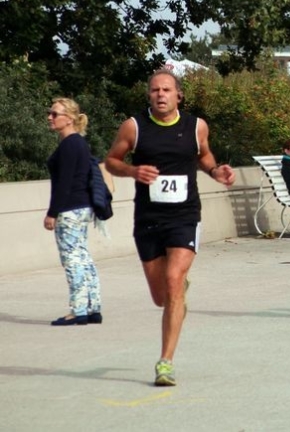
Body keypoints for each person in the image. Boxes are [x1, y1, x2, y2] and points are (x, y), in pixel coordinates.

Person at [105, 70, 236, 386]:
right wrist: (133, 171)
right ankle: (176, 294)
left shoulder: (196, 126)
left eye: (166, 90)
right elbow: (111, 161)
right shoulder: (134, 127)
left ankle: (165, 362)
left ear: (178, 95)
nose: (160, 95)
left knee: (174, 278)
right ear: (149, 95)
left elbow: (204, 157)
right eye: (154, 90)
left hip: (185, 216)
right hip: (148, 219)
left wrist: (217, 171)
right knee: (160, 297)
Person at [44, 97, 104, 326]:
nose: (50, 117)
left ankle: (78, 309)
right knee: (83, 257)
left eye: (55, 113)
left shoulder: (69, 144)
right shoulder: (79, 142)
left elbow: (65, 182)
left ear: (69, 119)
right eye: (50, 113)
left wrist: (52, 213)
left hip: (69, 210)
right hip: (81, 208)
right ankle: (93, 307)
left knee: (72, 260)